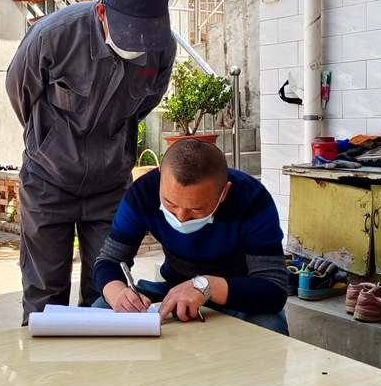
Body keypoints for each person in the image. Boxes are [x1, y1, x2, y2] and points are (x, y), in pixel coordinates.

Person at [6, 0, 176, 323]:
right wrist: (50, 144)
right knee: (44, 297)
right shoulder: (53, 35)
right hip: (48, 182)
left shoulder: (162, 48)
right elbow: (20, 93)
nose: (139, 45)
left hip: (110, 185)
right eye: (130, 33)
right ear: (102, 13)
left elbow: (145, 104)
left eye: (147, 34)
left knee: (108, 294)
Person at [92, 139, 289, 334]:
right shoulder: (143, 193)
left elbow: (274, 289)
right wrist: (118, 294)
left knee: (270, 327)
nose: (181, 217)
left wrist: (206, 286)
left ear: (224, 193)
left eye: (196, 210)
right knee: (102, 308)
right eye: (170, 203)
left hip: (236, 293)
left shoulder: (252, 199)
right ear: (160, 177)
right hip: (173, 288)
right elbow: (109, 260)